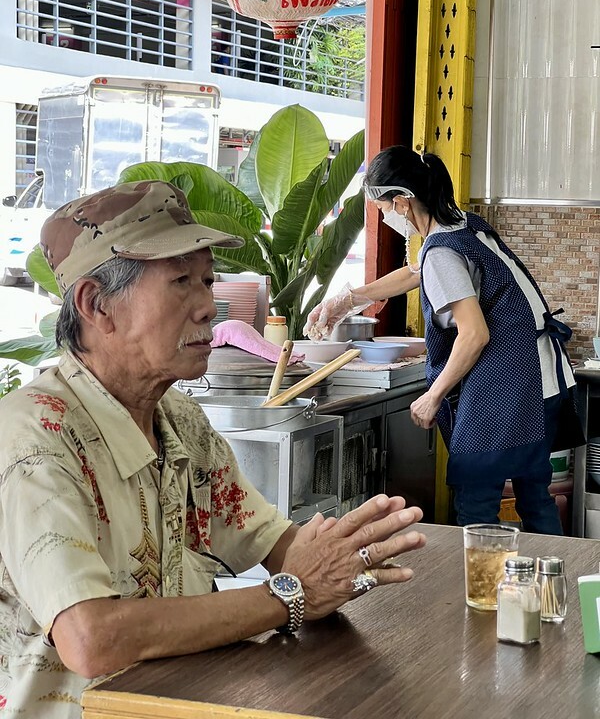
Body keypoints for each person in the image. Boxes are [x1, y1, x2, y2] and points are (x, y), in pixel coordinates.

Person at [0, 180, 426, 718]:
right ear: (96, 305)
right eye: (181, 282)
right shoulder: (36, 438)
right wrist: (292, 595)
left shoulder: (179, 420)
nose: (209, 306)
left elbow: (277, 547)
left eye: (207, 280)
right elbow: (92, 639)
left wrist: (334, 555)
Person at [305, 146, 583, 534]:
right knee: (535, 495)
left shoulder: (442, 253)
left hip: (508, 386)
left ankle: (484, 592)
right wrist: (347, 299)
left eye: (383, 208)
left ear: (402, 203)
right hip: (541, 379)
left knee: (476, 506)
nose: (383, 217)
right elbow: (413, 274)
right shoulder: (463, 226)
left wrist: (433, 395)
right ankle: (554, 588)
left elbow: (474, 334)